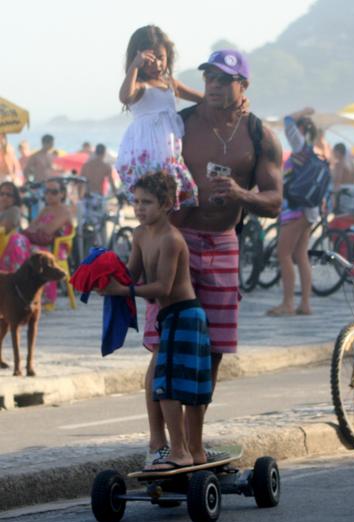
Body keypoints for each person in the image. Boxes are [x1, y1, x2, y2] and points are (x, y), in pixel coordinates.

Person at [142, 49, 283, 465]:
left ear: (244, 86)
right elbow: (144, 139)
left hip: (223, 242)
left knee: (212, 349)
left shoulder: (259, 134)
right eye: (210, 78)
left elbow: (275, 201)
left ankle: (194, 446)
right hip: (176, 239)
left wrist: (241, 194)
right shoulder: (179, 123)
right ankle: (159, 445)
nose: (216, 86)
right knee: (163, 346)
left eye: (225, 79)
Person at [101, 171, 212, 470]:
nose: (139, 208)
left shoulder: (171, 239)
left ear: (166, 204)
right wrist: (101, 275)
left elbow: (162, 286)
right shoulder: (139, 234)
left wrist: (122, 289)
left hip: (185, 315)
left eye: (147, 202)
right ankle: (193, 452)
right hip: (168, 317)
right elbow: (132, 275)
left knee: (172, 387)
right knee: (168, 383)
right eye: (135, 202)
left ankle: (181, 451)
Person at [115, 24, 203, 211]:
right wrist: (134, 67)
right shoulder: (139, 86)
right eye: (149, 60)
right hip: (147, 157)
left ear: (168, 56)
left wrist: (237, 102)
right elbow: (124, 96)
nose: (156, 65)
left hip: (170, 153)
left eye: (161, 58)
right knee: (152, 202)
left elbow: (202, 99)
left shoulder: (170, 84)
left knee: (173, 203)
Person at [267, 107, 322, 317]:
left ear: (301, 130)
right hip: (309, 210)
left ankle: (288, 303)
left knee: (284, 254)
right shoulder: (311, 151)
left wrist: (304, 111)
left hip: (296, 210)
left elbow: (287, 120)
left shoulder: (300, 147)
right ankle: (305, 304)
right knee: (300, 255)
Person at [23, 179, 73, 308]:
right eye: (46, 192)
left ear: (62, 193)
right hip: (41, 243)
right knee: (19, 248)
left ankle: (46, 297)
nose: (49, 195)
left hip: (57, 248)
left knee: (27, 250)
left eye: (54, 192)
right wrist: (40, 227)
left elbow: (49, 229)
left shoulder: (65, 211)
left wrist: (39, 226)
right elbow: (31, 228)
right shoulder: (46, 209)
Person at [0, 182, 30, 272]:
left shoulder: (14, 210)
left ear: (14, 198)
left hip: (4, 247)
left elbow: (3, 229)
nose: (4, 197)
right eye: (2, 194)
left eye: (9, 195)